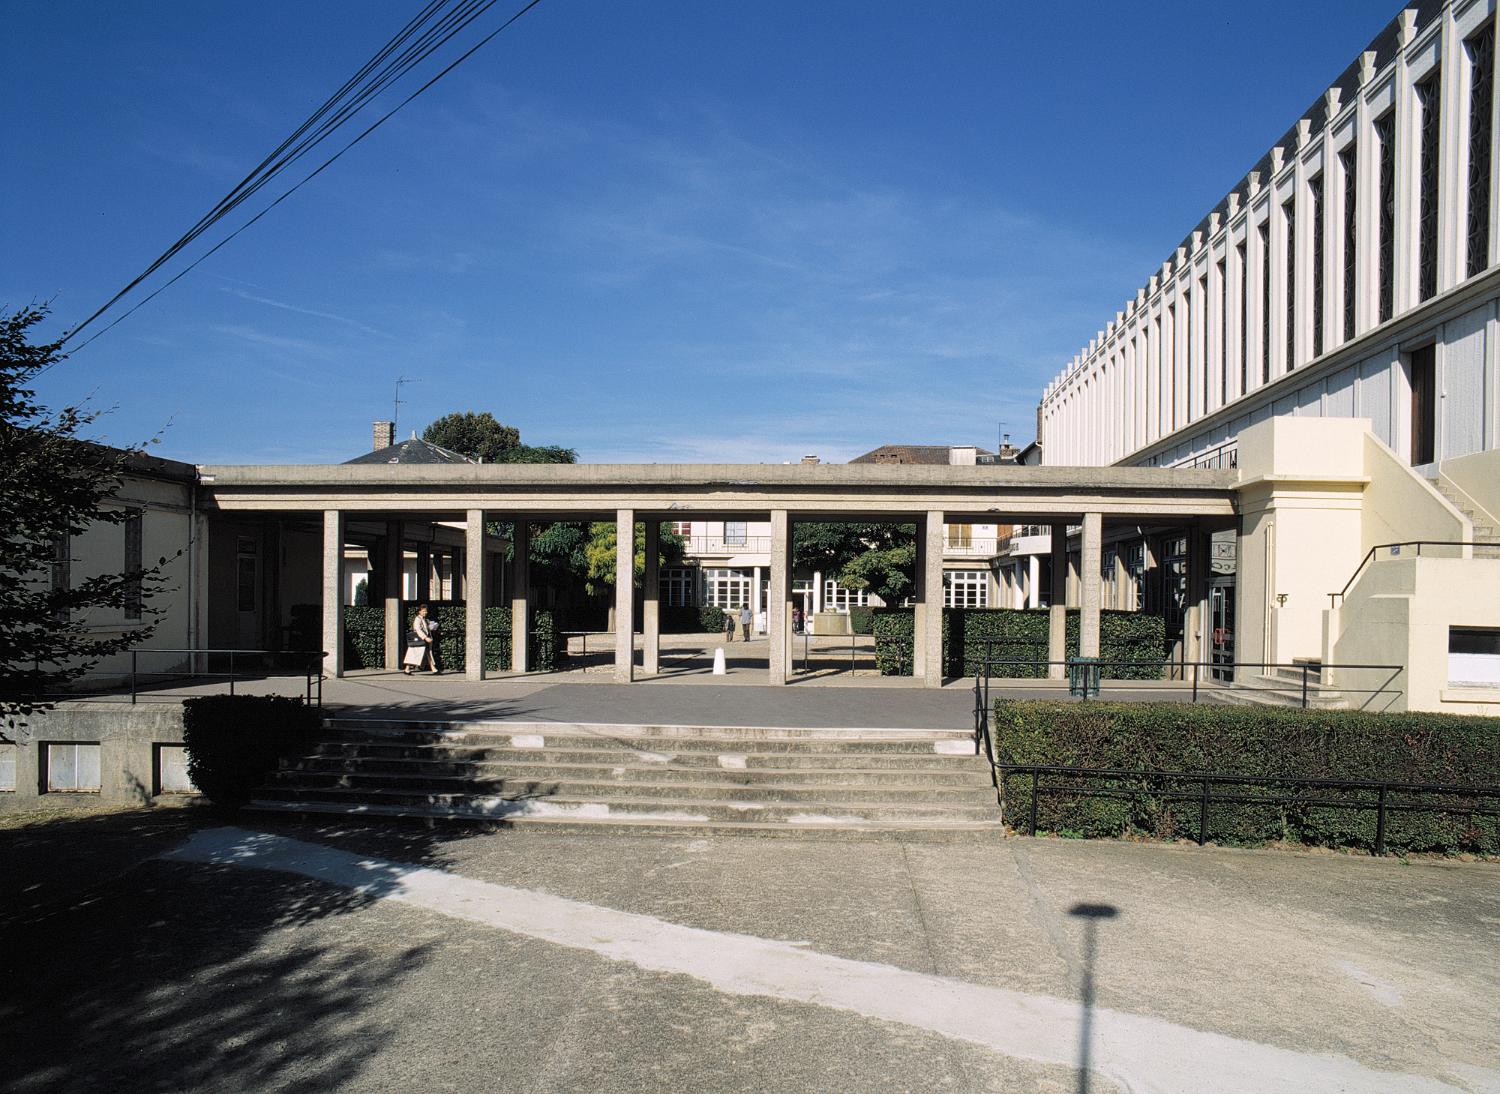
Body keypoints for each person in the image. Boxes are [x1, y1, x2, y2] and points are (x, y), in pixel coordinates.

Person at [404, 603, 439, 675]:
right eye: (423, 611)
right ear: (419, 611)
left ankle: (433, 669)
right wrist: (425, 637)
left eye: (426, 611)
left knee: (424, 653)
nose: (425, 613)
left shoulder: (424, 619)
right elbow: (418, 629)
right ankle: (407, 669)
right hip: (420, 639)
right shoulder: (418, 619)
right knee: (414, 654)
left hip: (421, 640)